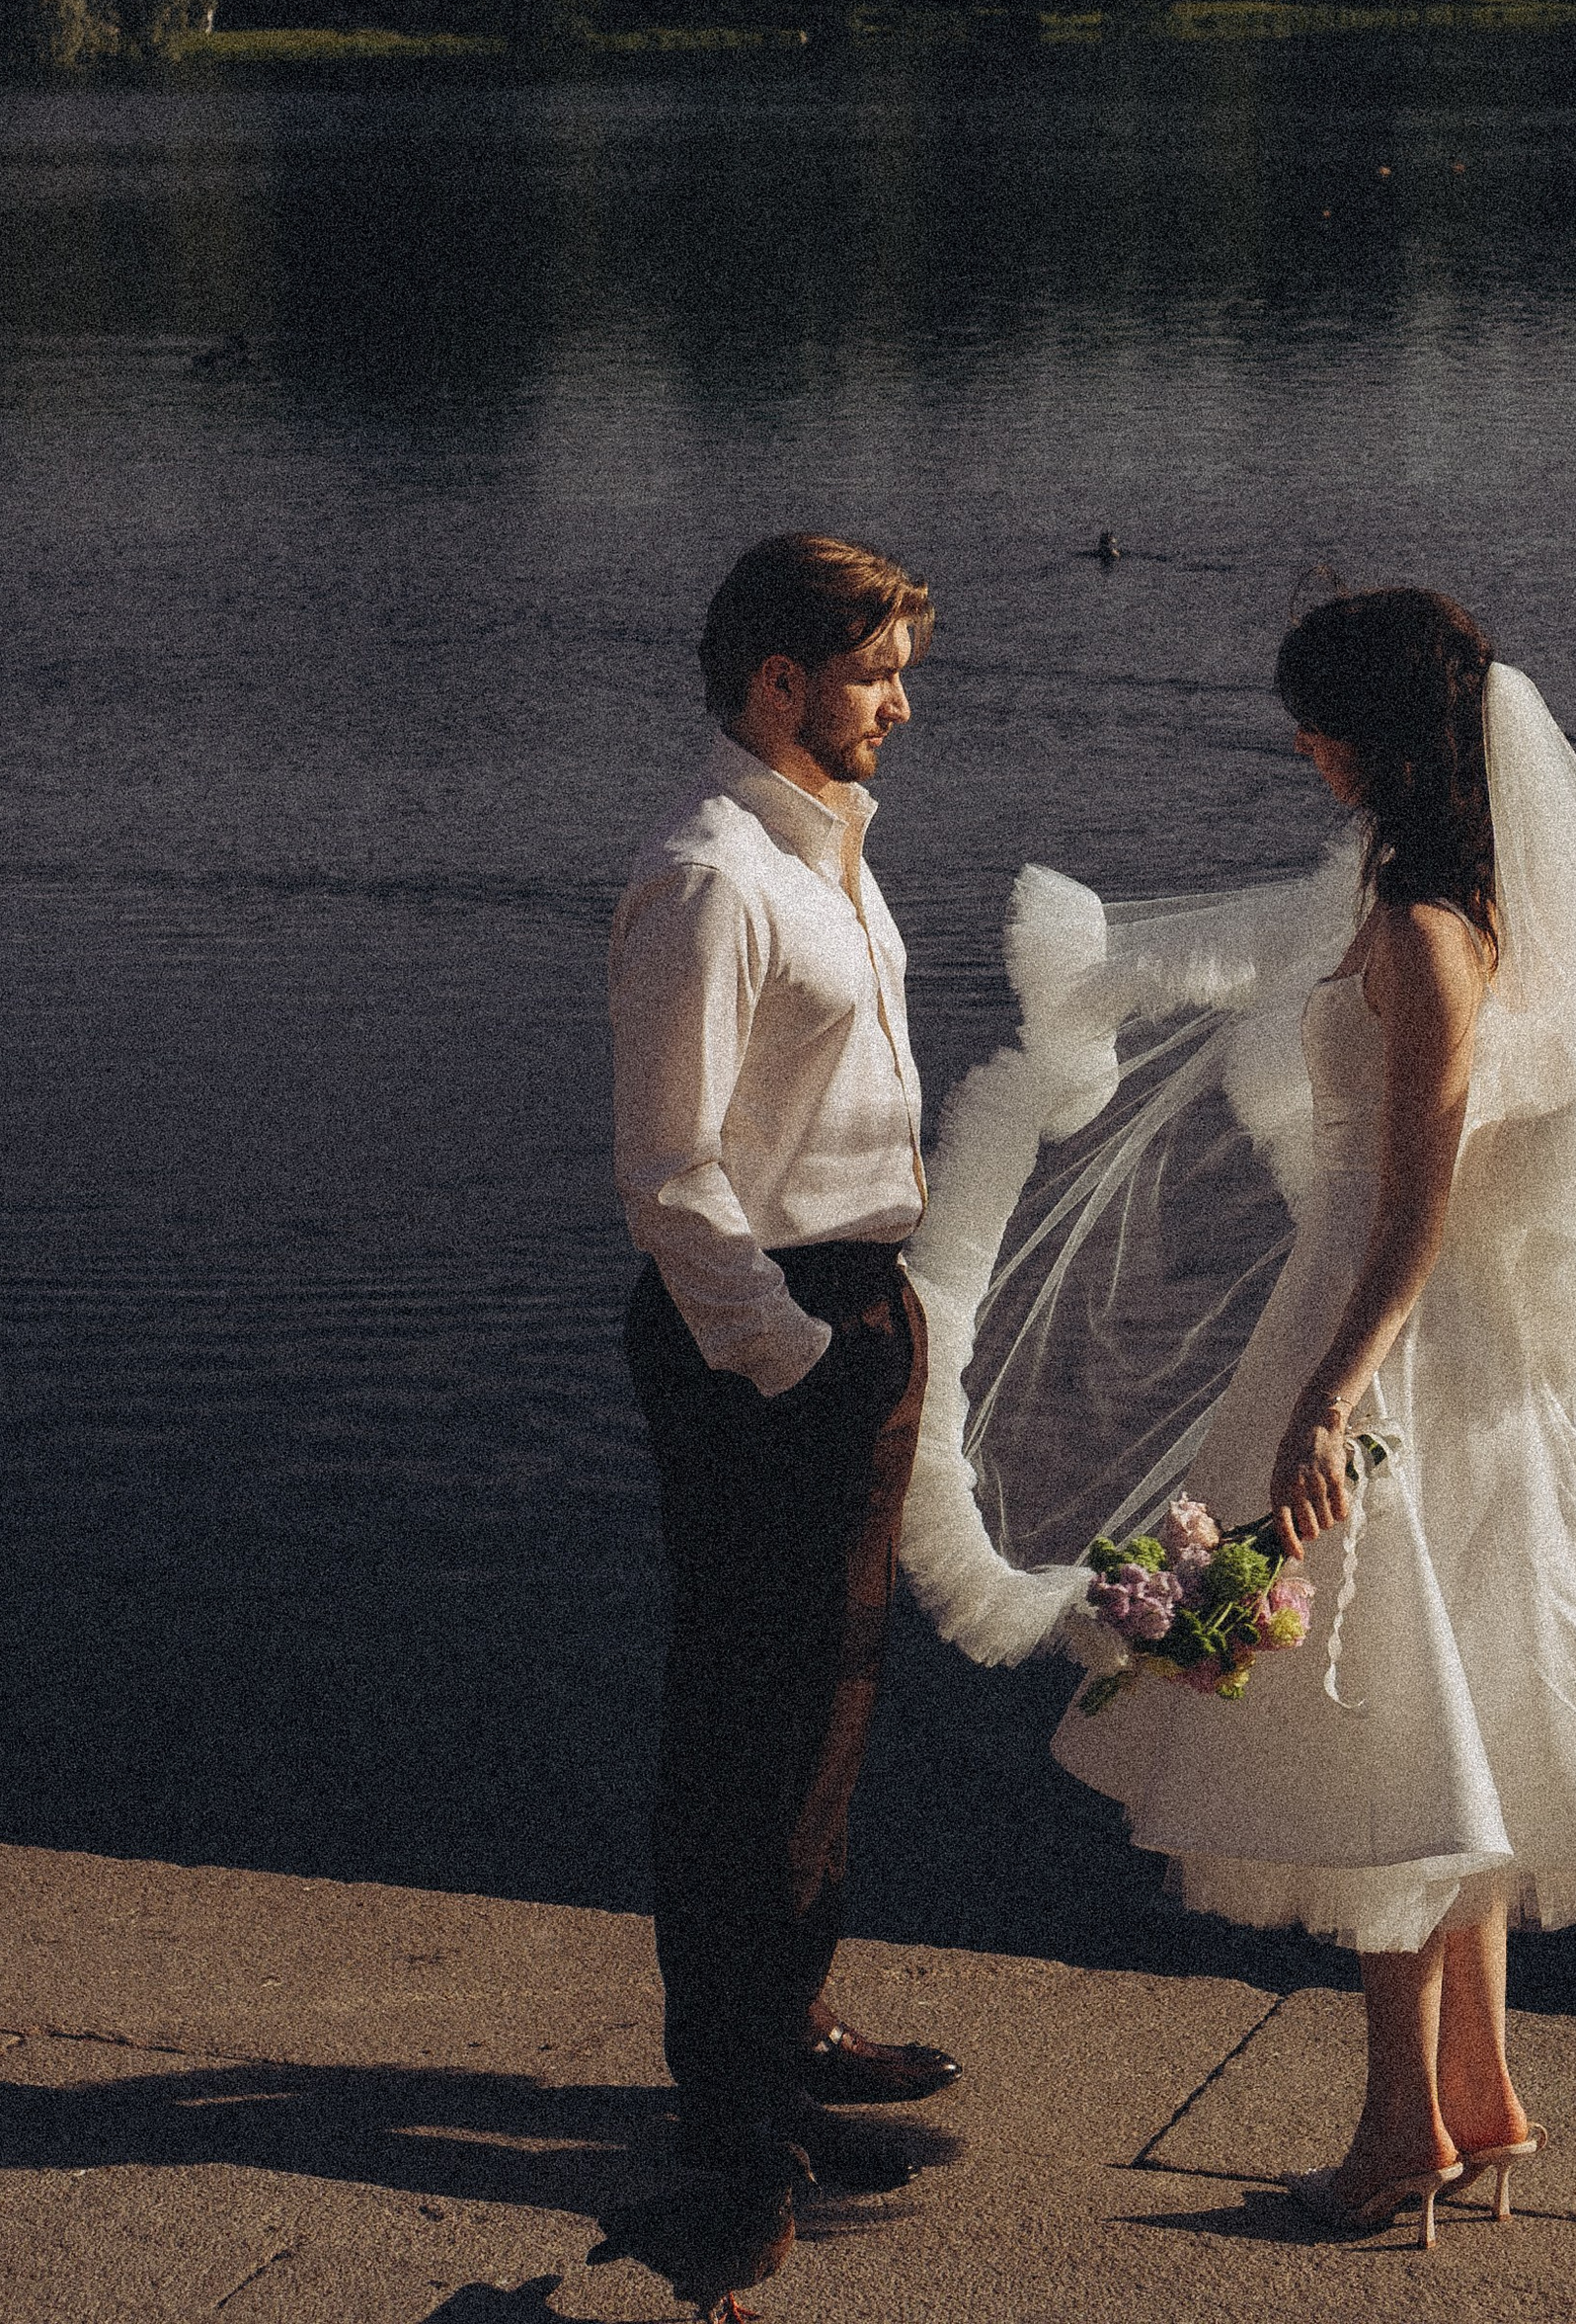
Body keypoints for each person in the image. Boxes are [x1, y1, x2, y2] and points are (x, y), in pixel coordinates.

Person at [900, 587, 1576, 2244]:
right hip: (1458, 1354)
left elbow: (1419, 1191)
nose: (1300, 751)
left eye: (1312, 724)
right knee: (1447, 1709)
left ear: (1369, 741)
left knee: (1370, 1708)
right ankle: (1480, 2101)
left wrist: (1327, 1395)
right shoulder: (1465, 903)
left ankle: (1400, 2130)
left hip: (1393, 1348)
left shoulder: (1421, 934)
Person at [611, 531, 961, 2248]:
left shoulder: (825, 854)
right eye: (877, 670)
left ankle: (790, 2030)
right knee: (748, 1720)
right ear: (778, 683)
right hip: (763, 1335)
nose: (904, 699)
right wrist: (801, 1361)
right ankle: (733, 2107)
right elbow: (674, 1181)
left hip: (852, 1308)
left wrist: (882, 1325)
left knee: (827, 1698)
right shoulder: (711, 880)